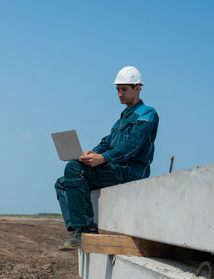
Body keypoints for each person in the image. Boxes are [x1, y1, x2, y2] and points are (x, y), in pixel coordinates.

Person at [55, 66, 159, 251]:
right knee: (62, 183)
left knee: (73, 169)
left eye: (124, 89)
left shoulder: (147, 114)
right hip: (113, 170)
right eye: (117, 89)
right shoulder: (120, 120)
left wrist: (103, 158)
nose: (119, 93)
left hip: (130, 172)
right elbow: (107, 142)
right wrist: (89, 155)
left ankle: (86, 230)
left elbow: (132, 146)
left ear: (137, 88)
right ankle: (78, 228)